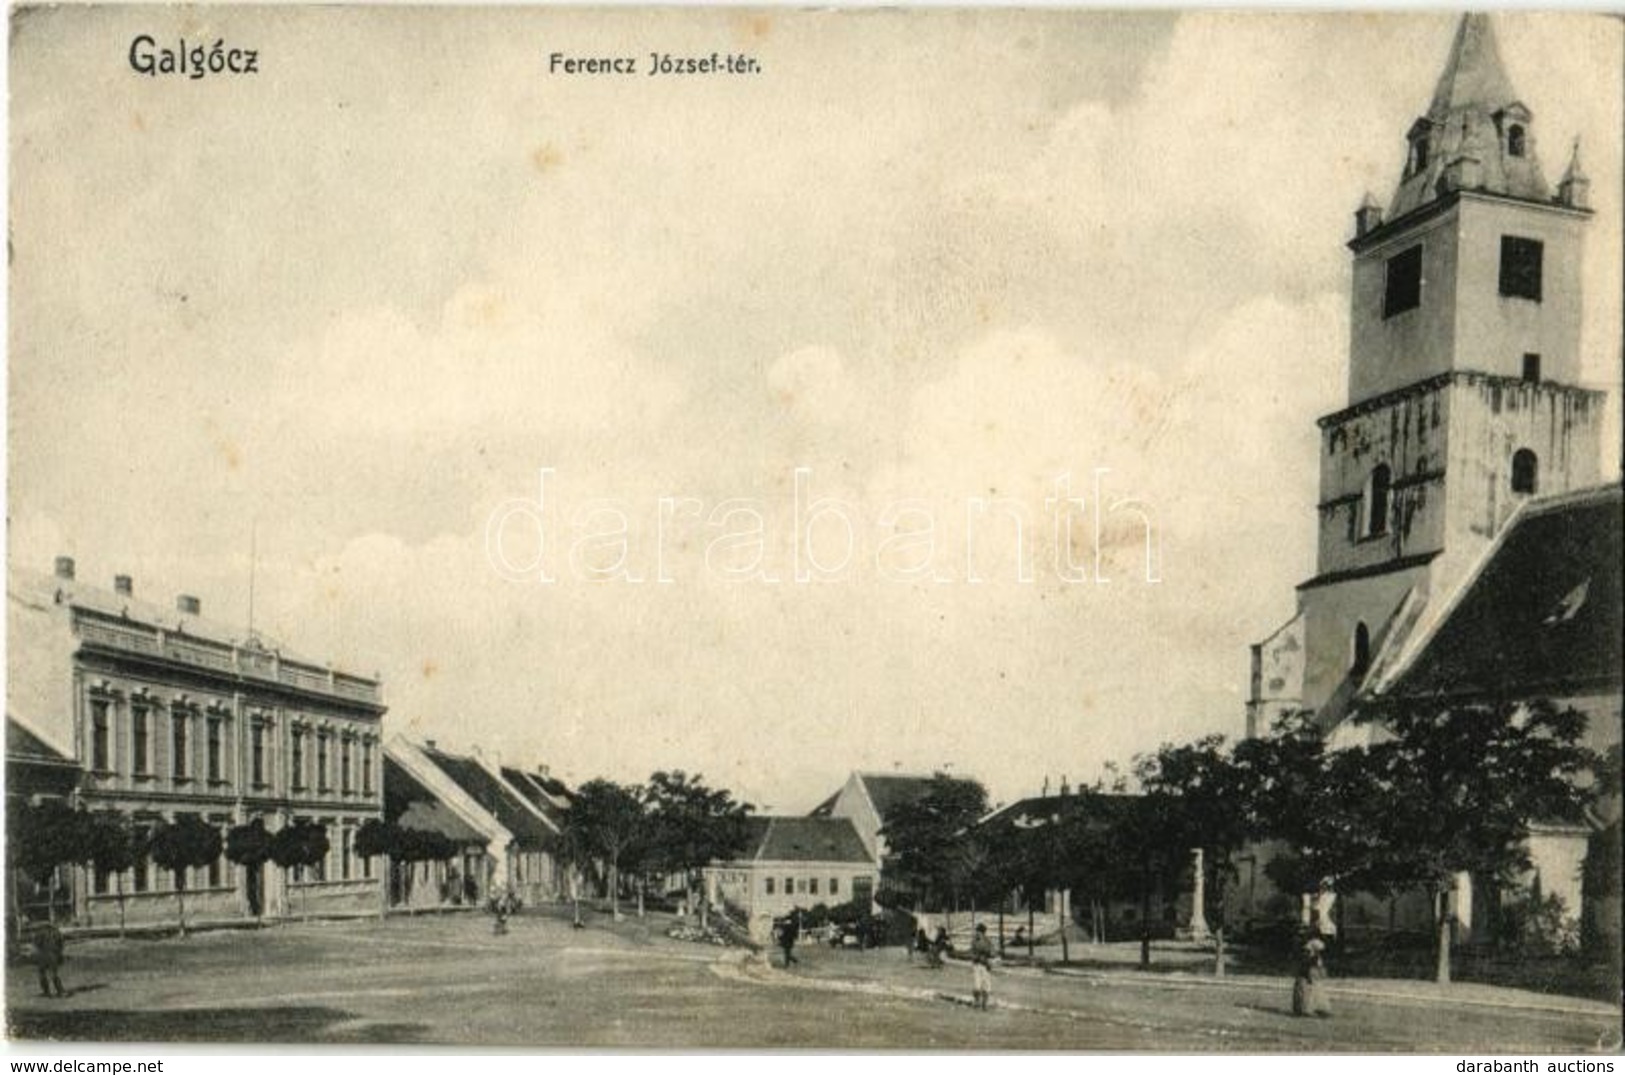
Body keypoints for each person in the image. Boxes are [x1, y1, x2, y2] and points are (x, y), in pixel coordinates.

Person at [1291, 930, 1331, 1017]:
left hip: (1310, 972)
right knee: (1307, 990)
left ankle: (1313, 1008)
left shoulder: (1311, 952)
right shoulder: (1308, 951)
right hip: (1307, 972)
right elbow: (1307, 964)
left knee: (1313, 989)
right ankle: (1305, 1009)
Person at [32, 921, 66, 999]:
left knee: (42, 973)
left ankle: (46, 991)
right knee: (54, 974)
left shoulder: (39, 932)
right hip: (54, 955)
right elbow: (61, 944)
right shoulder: (57, 932)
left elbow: (36, 944)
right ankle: (60, 991)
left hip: (43, 955)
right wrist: (59, 953)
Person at [969, 923, 995, 1011]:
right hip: (977, 965)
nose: (977, 933)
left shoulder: (988, 941)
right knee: (976, 985)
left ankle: (985, 1004)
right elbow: (971, 953)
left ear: (982, 932)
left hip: (985, 965)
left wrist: (988, 955)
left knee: (986, 986)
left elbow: (993, 952)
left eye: (978, 931)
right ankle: (977, 1002)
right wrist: (977, 957)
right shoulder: (974, 941)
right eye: (977, 931)